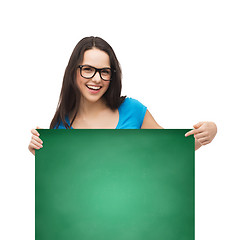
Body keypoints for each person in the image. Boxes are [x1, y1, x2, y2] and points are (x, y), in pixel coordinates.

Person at [28, 36, 217, 155]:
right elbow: (59, 183)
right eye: (88, 69)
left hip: (137, 216)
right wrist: (38, 153)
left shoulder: (133, 110)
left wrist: (209, 131)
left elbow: (170, 150)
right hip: (83, 219)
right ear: (73, 72)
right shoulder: (61, 127)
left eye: (105, 71)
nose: (96, 79)